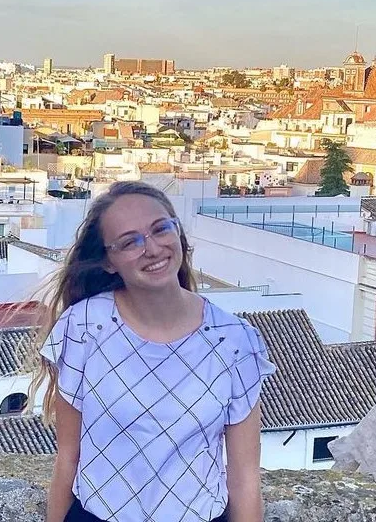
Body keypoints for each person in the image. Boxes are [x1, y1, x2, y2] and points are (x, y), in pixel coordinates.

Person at [29, 181, 275, 522]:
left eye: (160, 229)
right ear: (108, 262)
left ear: (178, 233)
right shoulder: (84, 327)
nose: (152, 248)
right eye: (130, 242)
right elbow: (68, 457)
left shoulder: (233, 342)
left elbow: (244, 477)